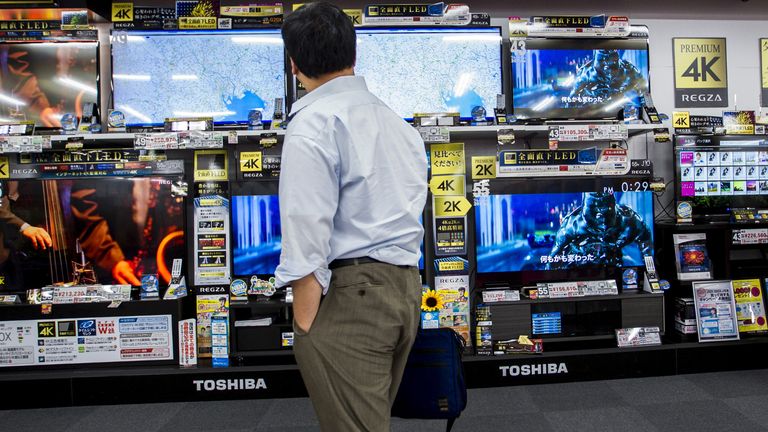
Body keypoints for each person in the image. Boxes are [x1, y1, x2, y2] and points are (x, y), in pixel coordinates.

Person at [275, 3, 427, 431]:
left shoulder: (313, 124)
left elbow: (305, 227)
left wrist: (305, 325)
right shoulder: (398, 124)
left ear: (294, 65)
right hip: (403, 290)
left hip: (351, 299)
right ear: (353, 55)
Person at [548, 192, 652, 269]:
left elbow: (646, 244)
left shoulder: (630, 221)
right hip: (578, 270)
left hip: (614, 269)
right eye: (595, 212)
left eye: (606, 212)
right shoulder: (571, 226)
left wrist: (649, 271)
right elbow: (552, 261)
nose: (601, 218)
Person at [569, 49, 646, 105]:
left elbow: (643, 89)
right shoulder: (586, 74)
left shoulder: (628, 69)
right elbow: (572, 98)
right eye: (602, 62)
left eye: (611, 65)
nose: (607, 69)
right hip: (593, 109)